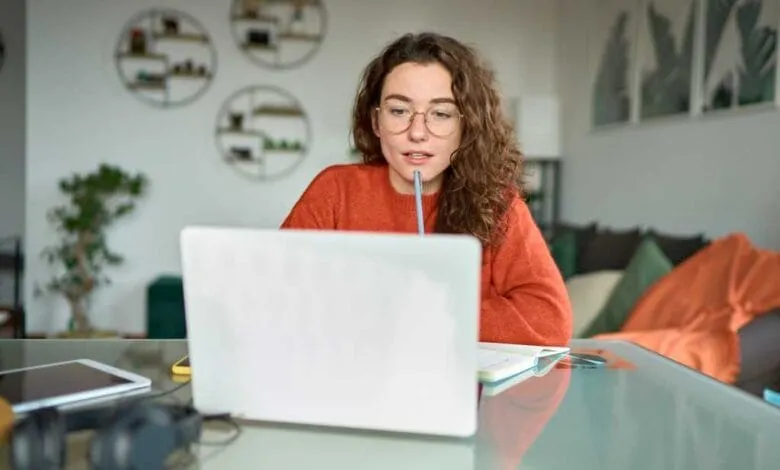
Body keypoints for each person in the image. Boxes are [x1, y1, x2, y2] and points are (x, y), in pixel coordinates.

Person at [281, 32, 572, 346]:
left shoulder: (498, 205)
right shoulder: (335, 190)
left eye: (441, 114)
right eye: (399, 111)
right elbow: (276, 291)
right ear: (376, 122)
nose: (417, 133)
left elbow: (549, 319)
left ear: (465, 126)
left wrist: (431, 314)